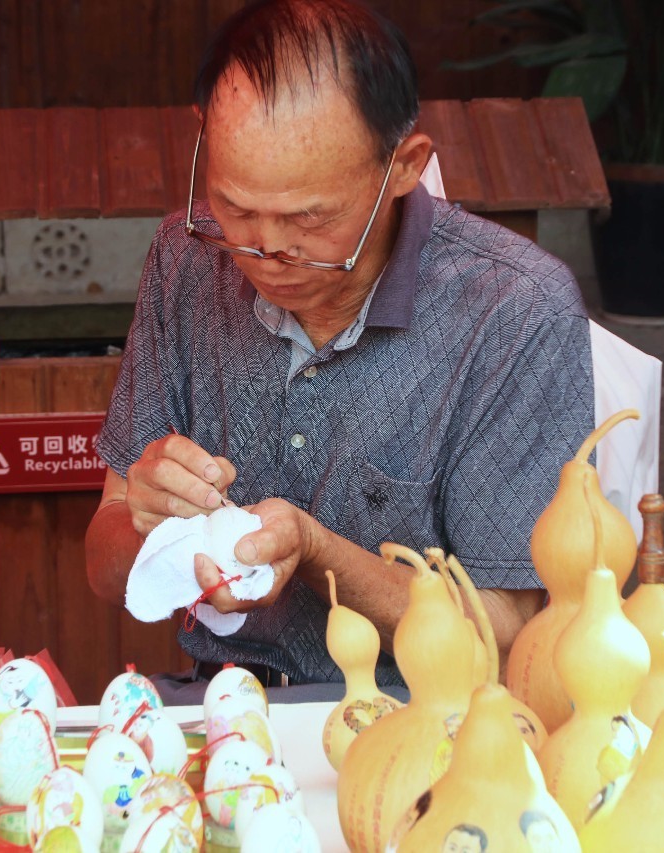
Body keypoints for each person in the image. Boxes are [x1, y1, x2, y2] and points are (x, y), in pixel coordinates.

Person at [85, 0, 594, 691]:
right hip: (223, 699)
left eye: (309, 219)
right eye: (235, 208)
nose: (265, 250)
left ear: (405, 167)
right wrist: (143, 520)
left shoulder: (512, 311)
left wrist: (319, 551)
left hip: (423, 714)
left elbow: (510, 633)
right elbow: (102, 560)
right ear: (204, 141)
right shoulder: (186, 259)